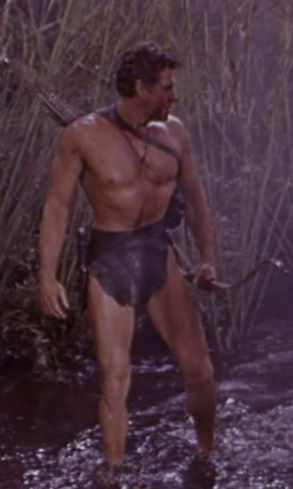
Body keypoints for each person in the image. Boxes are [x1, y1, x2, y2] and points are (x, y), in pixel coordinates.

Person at [37, 41, 218, 468]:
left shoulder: (175, 133)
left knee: (200, 371)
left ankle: (206, 457)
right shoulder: (82, 136)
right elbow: (57, 206)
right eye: (167, 88)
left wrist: (207, 258)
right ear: (141, 88)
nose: (174, 97)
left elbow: (196, 199)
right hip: (111, 259)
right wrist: (47, 275)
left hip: (157, 252)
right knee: (115, 380)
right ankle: (113, 475)